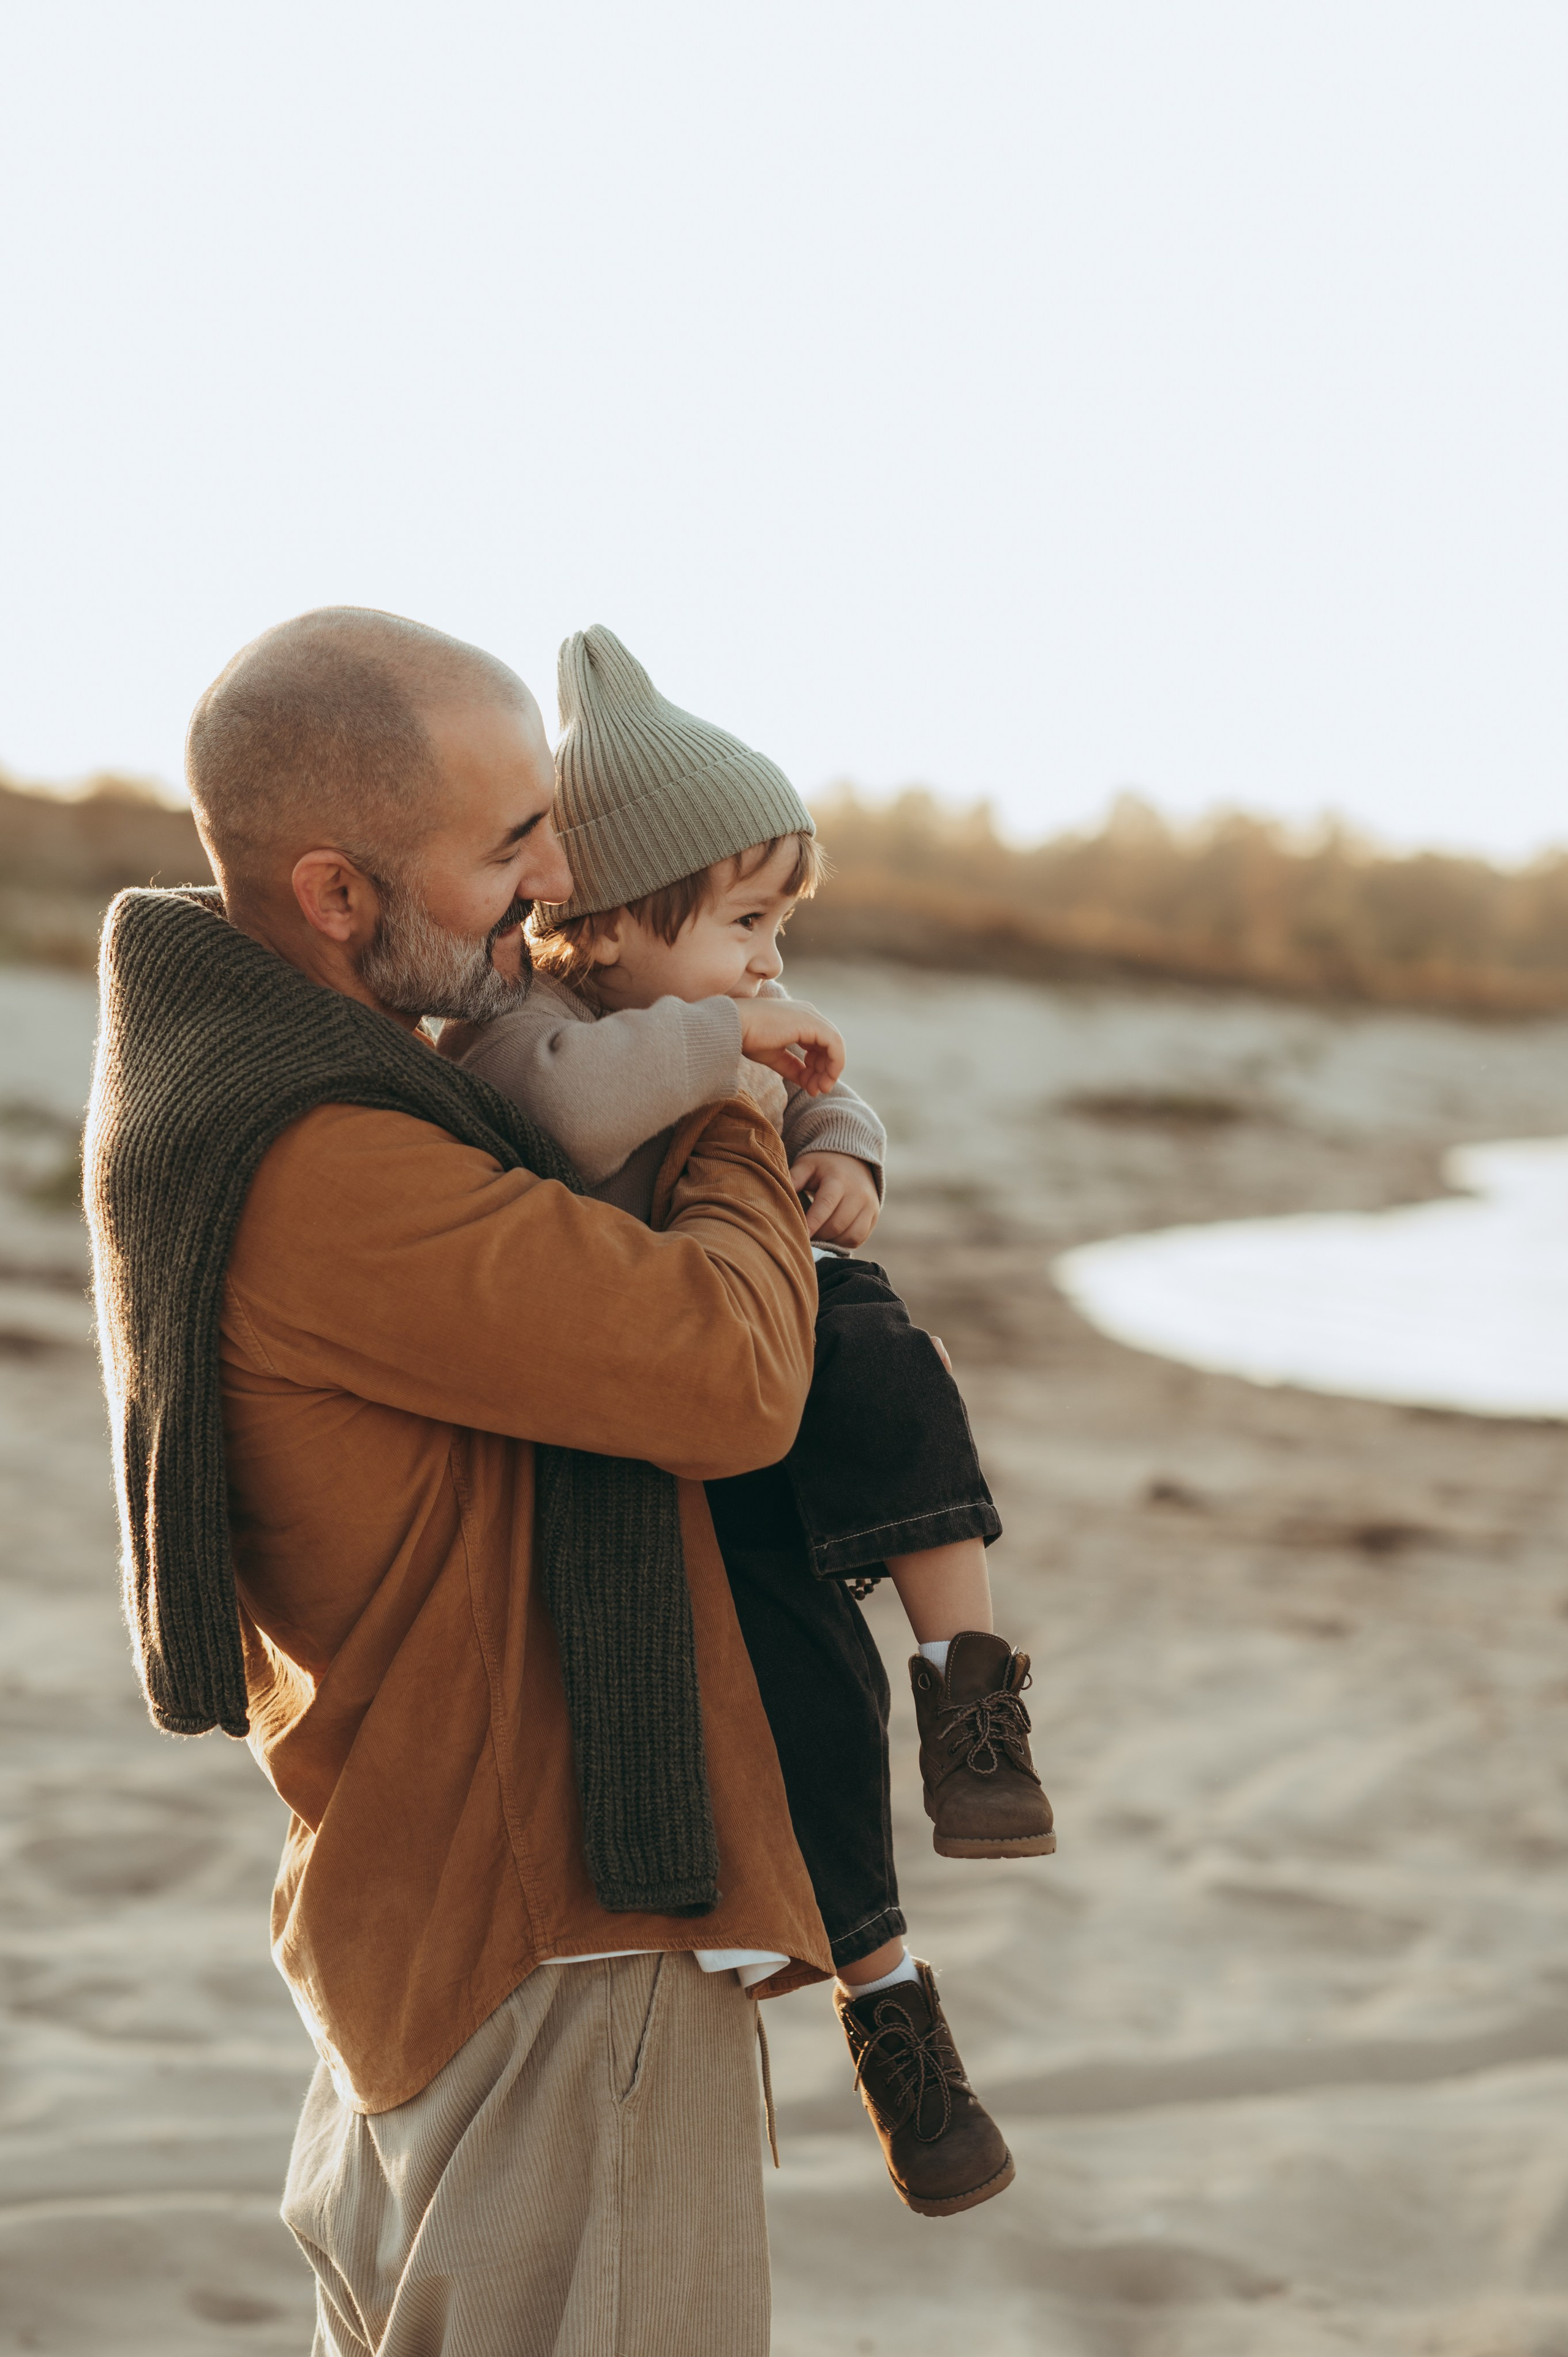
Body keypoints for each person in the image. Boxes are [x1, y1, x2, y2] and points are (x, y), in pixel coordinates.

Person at [86, 605, 861, 2357]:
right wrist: (727, 1088)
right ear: (339, 894)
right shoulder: (334, 1162)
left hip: (429, 1947)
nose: (554, 881)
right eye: (507, 845)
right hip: (556, 1949)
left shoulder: (270, 1096)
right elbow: (733, 1373)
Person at [437, 625, 1053, 2209]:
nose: (774, 958)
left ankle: (966, 1690)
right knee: (791, 1694)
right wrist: (738, 1051)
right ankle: (887, 2001)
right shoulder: (527, 1033)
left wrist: (847, 1148)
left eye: (784, 922)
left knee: (899, 1370)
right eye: (745, 919)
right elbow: (576, 1114)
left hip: (802, 1356)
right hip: (683, 1420)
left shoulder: (728, 1007)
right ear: (613, 921)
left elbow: (829, 1080)